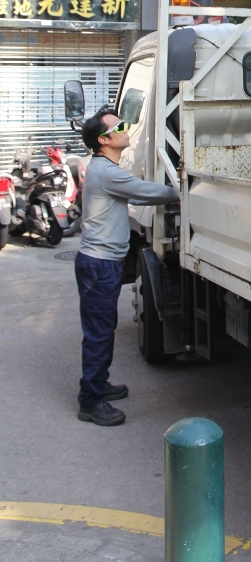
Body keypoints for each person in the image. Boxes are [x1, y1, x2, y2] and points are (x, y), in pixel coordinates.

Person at [75, 110, 177, 426]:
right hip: (99, 264)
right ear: (103, 140)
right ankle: (91, 401)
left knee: (102, 328)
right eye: (118, 126)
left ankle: (98, 384)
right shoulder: (107, 172)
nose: (125, 128)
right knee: (99, 332)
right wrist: (187, 189)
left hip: (101, 262)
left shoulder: (105, 168)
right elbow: (148, 193)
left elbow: (140, 196)